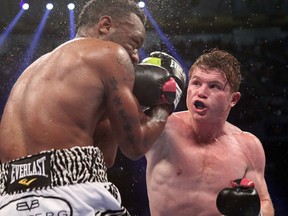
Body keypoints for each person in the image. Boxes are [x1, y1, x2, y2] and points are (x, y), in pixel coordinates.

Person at [0, 0, 178, 215]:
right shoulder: (110, 54)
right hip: (71, 193)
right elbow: (135, 145)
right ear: (105, 25)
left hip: (9, 199)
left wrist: (130, 102)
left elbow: (105, 158)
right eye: (135, 42)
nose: (135, 55)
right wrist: (166, 104)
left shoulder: (34, 69)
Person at [145, 48, 275, 215]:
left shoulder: (248, 146)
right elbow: (119, 138)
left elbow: (264, 202)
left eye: (214, 86)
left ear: (233, 99)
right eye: (196, 83)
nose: (201, 92)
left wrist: (255, 214)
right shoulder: (161, 127)